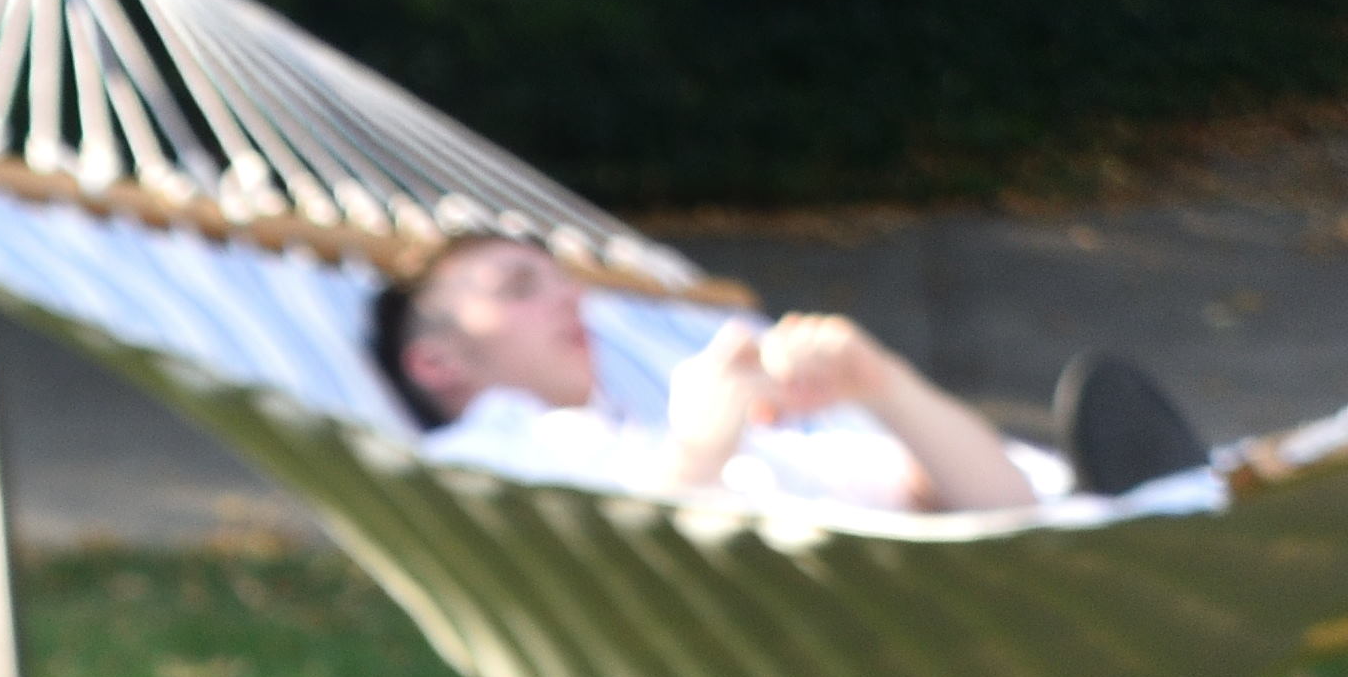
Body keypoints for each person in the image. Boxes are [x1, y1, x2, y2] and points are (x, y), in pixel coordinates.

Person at [366, 230, 1206, 517]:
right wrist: (698, 451)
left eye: (564, 280)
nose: (570, 302)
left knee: (1060, 503)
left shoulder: (657, 432)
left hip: (983, 560)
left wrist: (881, 383)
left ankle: (1144, 513)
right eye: (519, 289)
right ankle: (1164, 516)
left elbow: (1004, 506)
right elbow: (624, 554)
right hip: (873, 623)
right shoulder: (486, 462)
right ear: (435, 359)